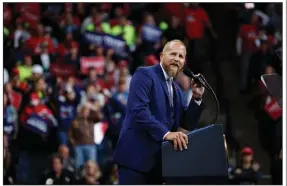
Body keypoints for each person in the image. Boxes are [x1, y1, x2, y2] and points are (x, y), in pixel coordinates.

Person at [113, 39, 205, 184]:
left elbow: (183, 126)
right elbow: (139, 111)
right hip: (135, 162)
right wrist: (167, 134)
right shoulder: (144, 74)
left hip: (159, 167)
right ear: (162, 56)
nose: (177, 59)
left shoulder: (177, 90)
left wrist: (196, 98)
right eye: (173, 54)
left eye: (181, 56)